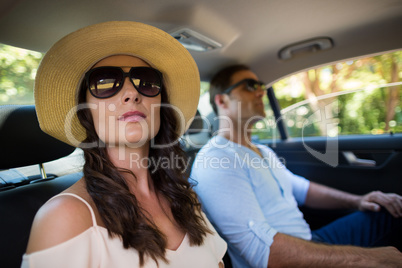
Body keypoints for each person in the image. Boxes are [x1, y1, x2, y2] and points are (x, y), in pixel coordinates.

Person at [22, 21, 226, 268]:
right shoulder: (65, 217)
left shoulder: (185, 199)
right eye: (106, 82)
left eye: (147, 81)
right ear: (85, 112)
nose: (131, 93)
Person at [190, 64, 402, 267]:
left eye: (261, 86)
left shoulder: (263, 151)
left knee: (391, 210)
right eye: (249, 85)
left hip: (311, 241)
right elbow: (265, 254)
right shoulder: (217, 161)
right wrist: (370, 259)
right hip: (291, 259)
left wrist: (359, 201)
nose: (261, 92)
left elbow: (301, 189)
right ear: (222, 101)